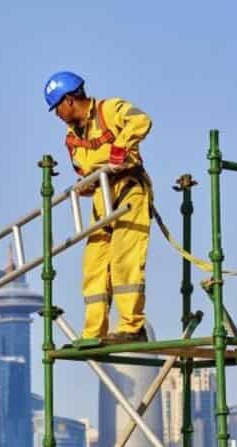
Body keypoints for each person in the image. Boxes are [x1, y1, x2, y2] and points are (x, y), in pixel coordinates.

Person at [44, 71, 154, 344]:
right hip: (101, 198)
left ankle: (131, 328)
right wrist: (85, 186)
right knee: (94, 263)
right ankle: (94, 332)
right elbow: (86, 171)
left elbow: (141, 121)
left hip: (128, 188)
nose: (56, 114)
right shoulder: (71, 139)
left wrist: (119, 147)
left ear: (69, 100)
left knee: (124, 258)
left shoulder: (110, 110)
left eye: (57, 107)